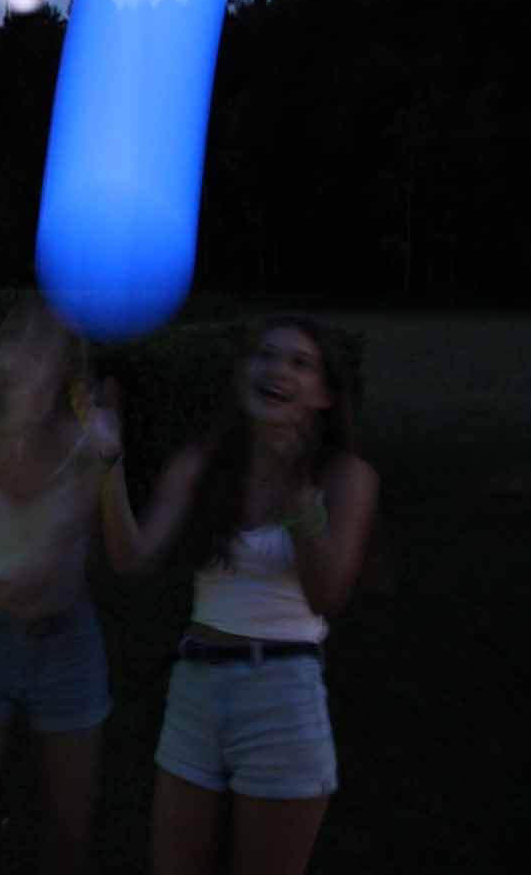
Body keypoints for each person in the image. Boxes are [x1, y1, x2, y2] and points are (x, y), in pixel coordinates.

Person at [96, 315, 379, 875]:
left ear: (323, 394)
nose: (277, 369)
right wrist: (106, 464)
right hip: (195, 688)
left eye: (299, 363)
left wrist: (301, 510)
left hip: (282, 692)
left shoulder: (345, 476)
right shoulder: (201, 464)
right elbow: (133, 560)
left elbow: (327, 596)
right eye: (266, 356)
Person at [0, 299, 120, 875]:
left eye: (46, 351)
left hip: (65, 646)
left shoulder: (87, 445)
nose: (30, 362)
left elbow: (88, 562)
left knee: (67, 835)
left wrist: (109, 462)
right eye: (21, 345)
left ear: (66, 368)